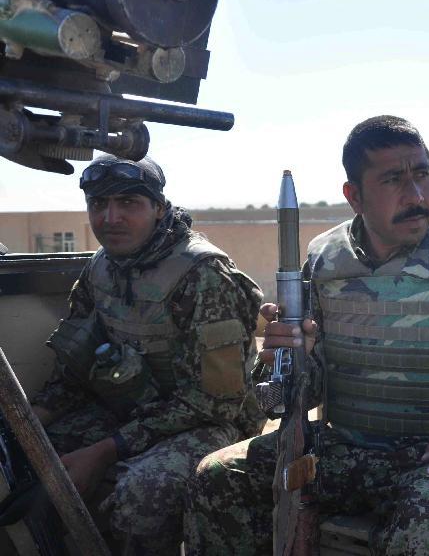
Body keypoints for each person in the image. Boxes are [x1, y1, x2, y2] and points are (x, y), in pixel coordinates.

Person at [184, 115, 429, 555]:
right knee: (217, 478)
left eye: (422, 175)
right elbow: (292, 399)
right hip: (345, 451)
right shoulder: (325, 262)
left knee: (425, 533)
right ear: (354, 196)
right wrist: (285, 360)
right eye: (393, 180)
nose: (415, 196)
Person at [28, 154, 266, 554]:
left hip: (210, 423)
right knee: (27, 454)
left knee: (143, 495)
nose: (110, 218)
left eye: (128, 204)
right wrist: (28, 425)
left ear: (158, 208)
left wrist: (106, 451)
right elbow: (72, 373)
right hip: (133, 409)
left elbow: (217, 403)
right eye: (98, 204)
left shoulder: (202, 273)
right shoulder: (100, 269)